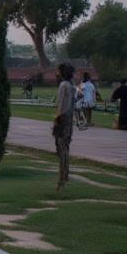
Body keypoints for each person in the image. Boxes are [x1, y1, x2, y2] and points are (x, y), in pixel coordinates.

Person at [53, 62, 75, 190]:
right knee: (65, 148)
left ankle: (62, 178)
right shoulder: (71, 85)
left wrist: (56, 120)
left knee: (61, 148)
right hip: (69, 119)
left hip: (62, 119)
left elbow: (61, 106)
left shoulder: (63, 85)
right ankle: (65, 175)